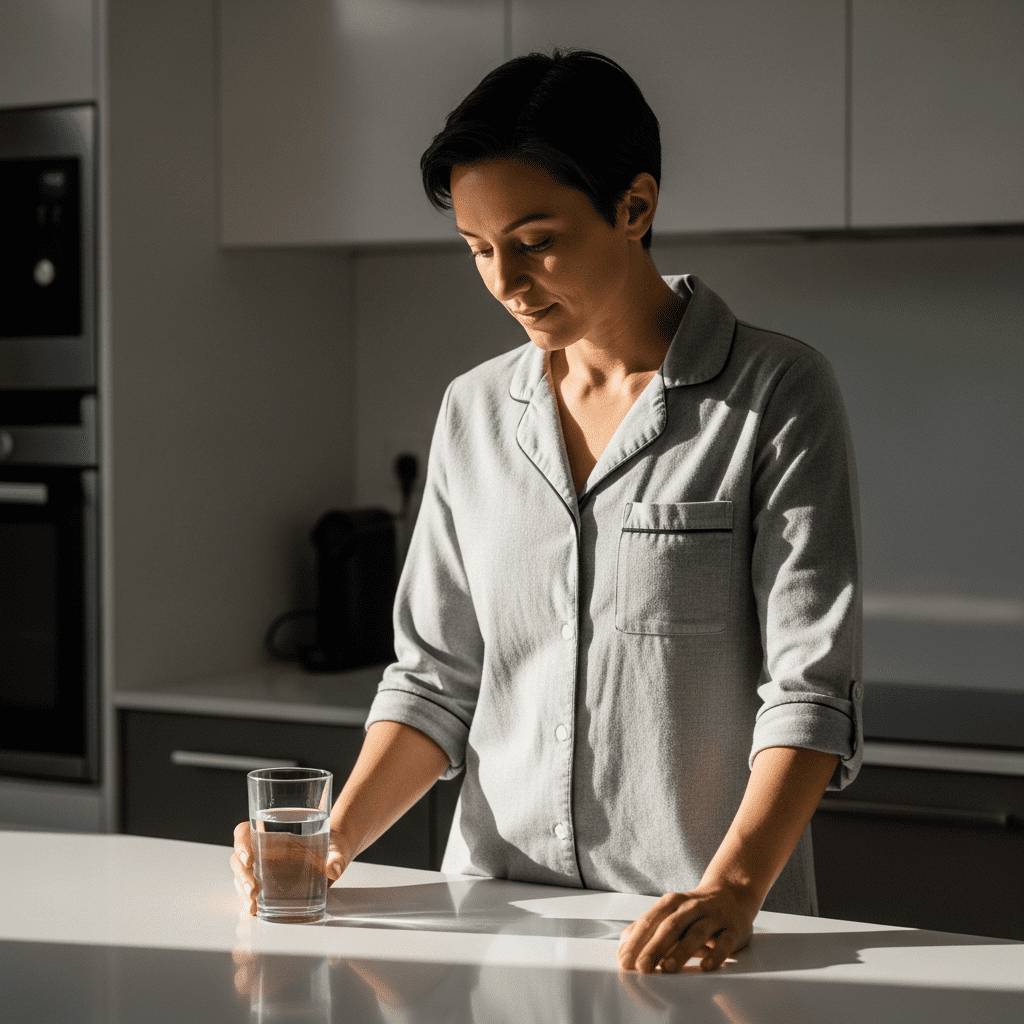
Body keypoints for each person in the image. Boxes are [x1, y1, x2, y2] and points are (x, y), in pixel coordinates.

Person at [232, 48, 863, 976]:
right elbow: (436, 679)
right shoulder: (475, 410)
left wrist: (731, 891)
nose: (506, 282)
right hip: (495, 930)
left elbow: (810, 693)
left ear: (634, 207)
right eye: (480, 250)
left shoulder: (775, 394)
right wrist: (330, 841)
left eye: (535, 241)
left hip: (695, 938)